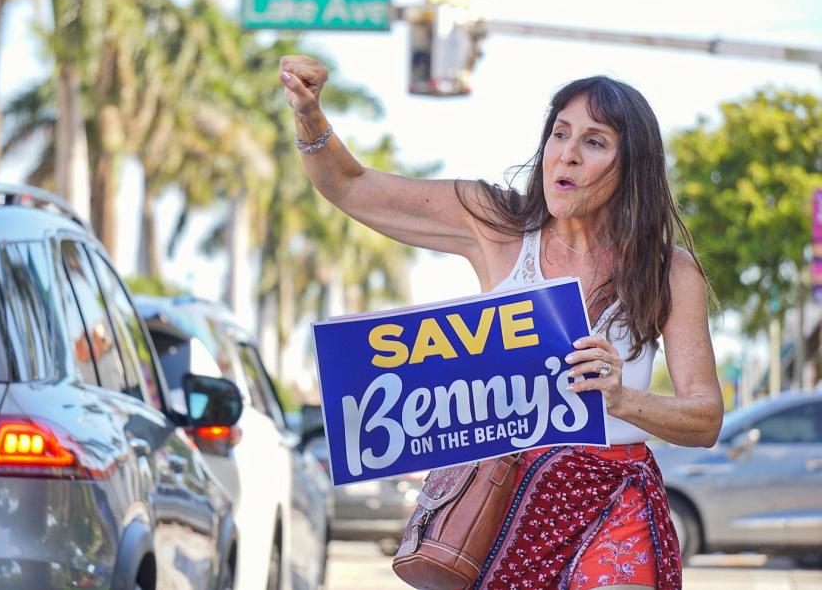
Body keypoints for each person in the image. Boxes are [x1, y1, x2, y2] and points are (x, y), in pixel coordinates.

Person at [279, 55, 724, 590]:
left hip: (613, 500)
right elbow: (349, 187)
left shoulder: (669, 270)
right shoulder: (496, 224)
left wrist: (623, 399)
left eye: (595, 141)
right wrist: (309, 115)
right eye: (560, 134)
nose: (568, 154)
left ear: (633, 167)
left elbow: (706, 418)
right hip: (500, 500)